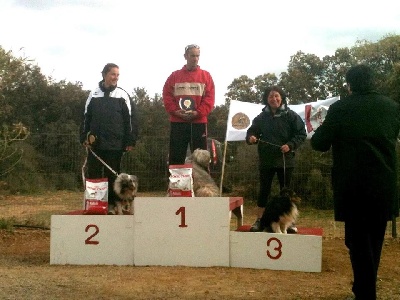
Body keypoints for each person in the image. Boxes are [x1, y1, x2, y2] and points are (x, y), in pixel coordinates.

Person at [311, 64, 400, 300]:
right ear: (373, 82)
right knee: (374, 241)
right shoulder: (392, 107)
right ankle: (363, 289)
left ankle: (365, 293)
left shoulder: (340, 108)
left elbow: (318, 143)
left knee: (358, 242)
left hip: (353, 187)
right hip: (384, 184)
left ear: (349, 85)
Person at [80, 63, 138, 214]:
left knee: (112, 177)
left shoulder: (123, 95)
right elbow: (86, 117)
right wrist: (83, 137)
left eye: (118, 75)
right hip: (95, 145)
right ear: (105, 74)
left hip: (115, 144)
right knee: (93, 175)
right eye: (113, 74)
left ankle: (113, 206)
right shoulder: (93, 94)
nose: (116, 78)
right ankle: (94, 206)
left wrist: (130, 140)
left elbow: (131, 119)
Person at [246, 86, 306, 232]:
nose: (274, 99)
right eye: (271, 97)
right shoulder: (260, 118)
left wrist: (290, 145)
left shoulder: (291, 116)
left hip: (286, 160)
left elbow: (301, 134)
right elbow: (251, 132)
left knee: (286, 193)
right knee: (264, 191)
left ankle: (289, 223)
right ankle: (260, 220)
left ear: (282, 97)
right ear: (266, 100)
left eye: (277, 96)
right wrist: (251, 138)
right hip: (267, 160)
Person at [163, 44, 215, 165]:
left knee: (201, 159)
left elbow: (209, 99)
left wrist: (198, 113)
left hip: (199, 123)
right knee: (176, 157)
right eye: (192, 55)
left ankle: (202, 184)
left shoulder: (206, 76)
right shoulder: (174, 76)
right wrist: (175, 111)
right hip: (178, 122)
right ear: (185, 56)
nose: (195, 58)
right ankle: (176, 184)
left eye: (197, 56)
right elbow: (167, 96)